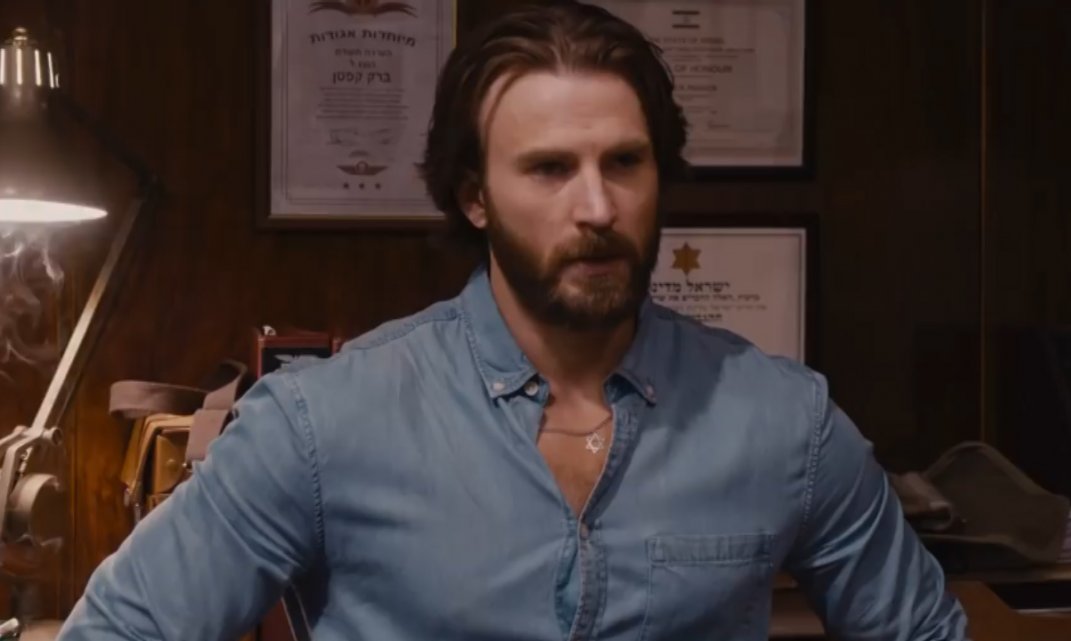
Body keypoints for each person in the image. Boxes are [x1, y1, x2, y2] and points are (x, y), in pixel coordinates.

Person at [59, 2, 968, 639]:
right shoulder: (323, 425)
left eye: (625, 163)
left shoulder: (784, 423)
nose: (598, 207)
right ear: (475, 197)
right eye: (549, 169)